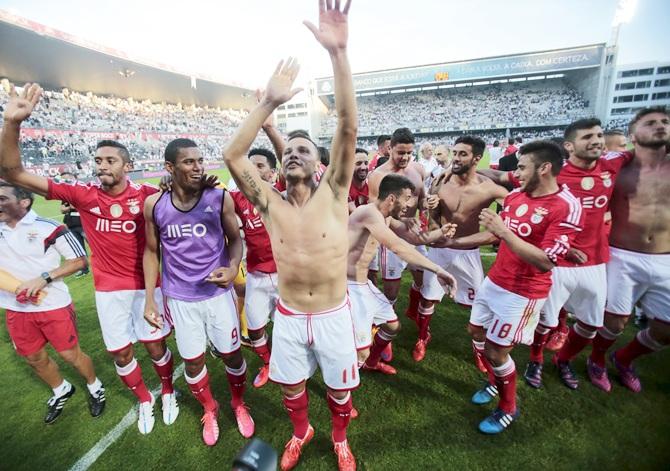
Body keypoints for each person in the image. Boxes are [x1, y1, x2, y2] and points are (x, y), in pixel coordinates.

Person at [222, 1, 359, 469]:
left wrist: (338, 55)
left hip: (332, 313)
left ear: (319, 163)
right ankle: (301, 432)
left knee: (341, 388)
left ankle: (340, 439)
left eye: (304, 149)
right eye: (290, 150)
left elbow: (347, 124)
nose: (294, 154)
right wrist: (268, 104)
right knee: (291, 386)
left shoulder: (335, 192)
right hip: (289, 312)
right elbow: (234, 156)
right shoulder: (270, 203)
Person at [0, 84, 176, 435]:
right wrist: (12, 124)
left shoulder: (148, 195)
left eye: (110, 160)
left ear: (127, 165)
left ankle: (169, 390)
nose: (102, 166)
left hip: (146, 286)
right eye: (97, 161)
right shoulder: (83, 196)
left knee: (156, 345)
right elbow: (12, 173)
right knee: (121, 354)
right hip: (108, 290)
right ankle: (144, 399)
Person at [447, 141, 583, 433]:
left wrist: (503, 232)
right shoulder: (516, 197)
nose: (516, 173)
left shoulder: (565, 205)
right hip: (494, 280)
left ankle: (508, 407)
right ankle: (497, 382)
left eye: (522, 167)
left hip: (523, 292)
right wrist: (452, 243)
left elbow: (546, 262)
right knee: (475, 332)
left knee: (497, 352)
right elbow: (494, 238)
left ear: (544, 168)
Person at [143, 138, 252, 445]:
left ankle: (238, 403)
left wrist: (232, 269)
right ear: (169, 168)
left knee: (231, 355)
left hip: (217, 296)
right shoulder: (155, 204)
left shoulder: (218, 197)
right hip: (180, 299)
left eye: (200, 160)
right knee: (192, 362)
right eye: (189, 162)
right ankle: (210, 408)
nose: (198, 166)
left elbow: (236, 240)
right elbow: (152, 252)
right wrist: (151, 297)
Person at [0, 182, 105, 424]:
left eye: (3, 198)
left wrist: (45, 277)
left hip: (53, 305)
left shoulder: (50, 227)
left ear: (23, 202)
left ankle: (94, 385)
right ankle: (61, 389)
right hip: (16, 308)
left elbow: (80, 261)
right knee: (33, 357)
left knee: (70, 355)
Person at [588, 107, 670, 393]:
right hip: (623, 254)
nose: (660, 126)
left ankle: (624, 358)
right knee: (614, 321)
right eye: (651, 123)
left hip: (666, 258)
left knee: (666, 329)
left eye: (664, 122)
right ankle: (597, 359)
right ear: (633, 135)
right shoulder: (617, 167)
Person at [348, 174, 456, 375]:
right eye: (407, 198)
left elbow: (412, 239)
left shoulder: (385, 217)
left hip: (361, 285)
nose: (410, 204)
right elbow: (397, 247)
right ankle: (342, 392)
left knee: (392, 326)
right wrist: (438, 269)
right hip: (347, 286)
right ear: (391, 198)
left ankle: (371, 362)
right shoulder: (369, 213)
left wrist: (441, 232)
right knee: (358, 353)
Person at [415, 136, 508, 363]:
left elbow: (515, 211)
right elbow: (433, 217)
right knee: (428, 298)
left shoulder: (489, 189)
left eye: (462, 154)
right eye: (454, 153)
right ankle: (422, 336)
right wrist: (432, 215)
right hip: (440, 249)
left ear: (476, 158)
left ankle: (478, 348)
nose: (455, 158)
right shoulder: (440, 182)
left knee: (476, 304)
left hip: (468, 251)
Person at [230, 147, 281, 389]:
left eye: (259, 166)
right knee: (255, 328)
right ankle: (269, 363)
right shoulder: (238, 198)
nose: (252, 170)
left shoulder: (283, 196)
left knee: (289, 327)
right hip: (256, 275)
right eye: (249, 165)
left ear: (272, 173)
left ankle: (289, 362)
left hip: (286, 276)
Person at [368, 127, 427, 309]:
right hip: (391, 238)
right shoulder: (379, 176)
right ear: (390, 148)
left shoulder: (418, 169)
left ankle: (413, 310)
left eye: (409, 153)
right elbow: (377, 214)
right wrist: (401, 223)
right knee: (391, 292)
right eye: (401, 152)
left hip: (415, 234)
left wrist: (427, 205)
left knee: (423, 280)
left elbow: (421, 198)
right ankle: (384, 327)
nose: (405, 157)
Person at [59, 171, 88, 277]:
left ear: (72, 178)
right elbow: (62, 209)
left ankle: (106, 267)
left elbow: (84, 205)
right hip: (71, 225)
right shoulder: (65, 193)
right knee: (79, 250)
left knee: (95, 246)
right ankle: (84, 270)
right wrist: (69, 207)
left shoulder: (80, 189)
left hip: (83, 224)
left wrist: (72, 207)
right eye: (62, 179)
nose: (63, 181)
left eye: (65, 178)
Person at [348, 148, 369, 213]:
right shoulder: (345, 187)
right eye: (358, 163)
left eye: (366, 163)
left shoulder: (372, 185)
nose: (363, 167)